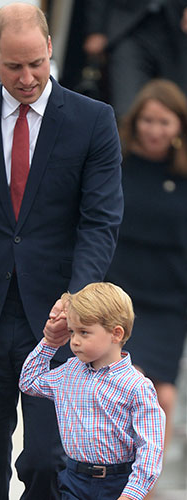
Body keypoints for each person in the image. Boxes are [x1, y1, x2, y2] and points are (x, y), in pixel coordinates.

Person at [0, 3, 124, 499]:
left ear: (50, 49)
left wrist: (76, 304)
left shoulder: (92, 120)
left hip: (58, 321)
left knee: (48, 463)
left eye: (36, 63)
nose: (28, 76)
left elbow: (100, 221)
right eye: (14, 65)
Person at [19, 282, 165, 500]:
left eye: (84, 332)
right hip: (73, 479)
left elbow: (150, 448)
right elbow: (29, 381)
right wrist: (50, 342)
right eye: (72, 332)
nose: (74, 341)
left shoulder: (137, 386)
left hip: (118, 484)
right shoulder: (69, 372)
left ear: (116, 334)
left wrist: (131, 494)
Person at [105, 79, 187, 455]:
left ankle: (144, 489)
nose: (155, 130)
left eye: (164, 122)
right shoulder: (115, 165)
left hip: (169, 302)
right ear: (135, 121)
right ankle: (123, 481)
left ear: (178, 127)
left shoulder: (182, 175)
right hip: (124, 298)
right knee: (134, 388)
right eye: (148, 121)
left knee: (165, 398)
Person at [83, 0, 187, 119]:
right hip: (129, 28)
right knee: (126, 106)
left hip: (179, 31)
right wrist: (96, 29)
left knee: (179, 108)